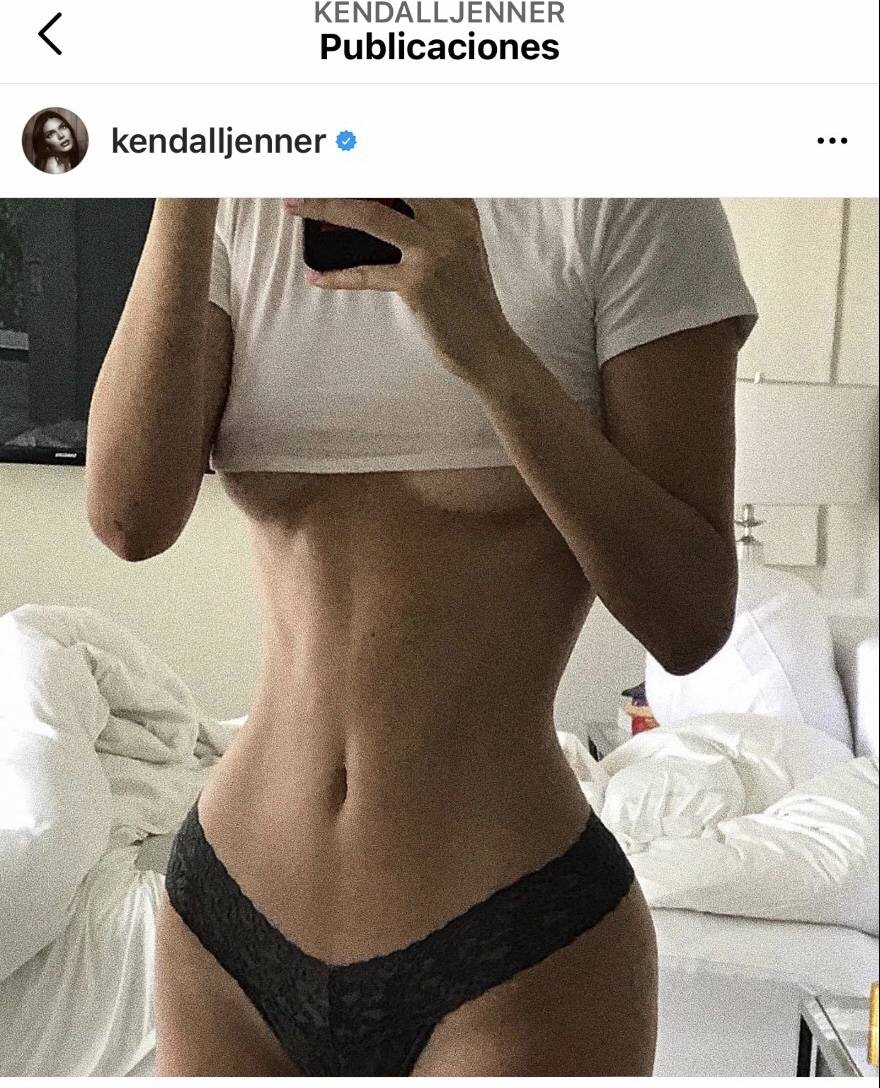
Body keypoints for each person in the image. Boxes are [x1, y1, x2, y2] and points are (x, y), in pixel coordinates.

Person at [86, 197, 757, 1076]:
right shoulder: (231, 201)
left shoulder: (629, 200)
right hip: (229, 923)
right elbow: (129, 519)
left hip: (514, 943)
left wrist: (492, 355)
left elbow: (691, 619)